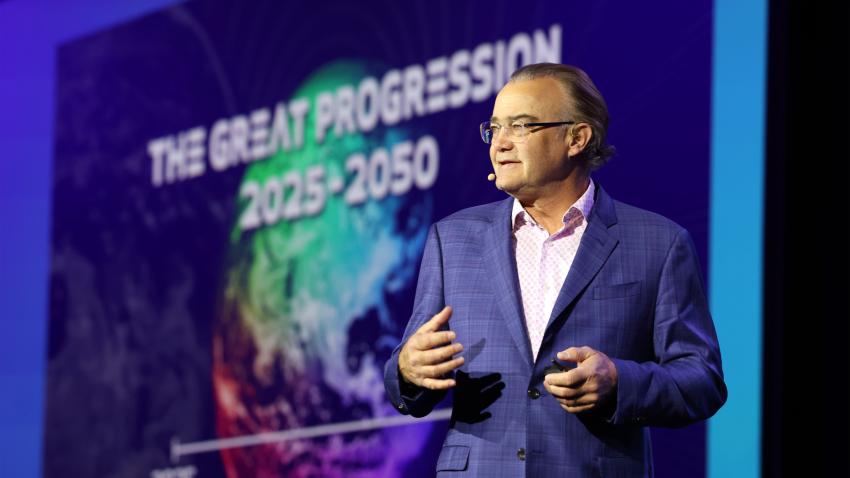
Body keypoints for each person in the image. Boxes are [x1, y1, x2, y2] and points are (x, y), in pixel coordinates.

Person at [383, 63, 726, 477]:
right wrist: (407, 369)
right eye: (494, 129)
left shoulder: (659, 243)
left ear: (577, 138)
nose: (500, 144)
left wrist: (619, 380)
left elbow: (701, 380)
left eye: (521, 127)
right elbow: (409, 379)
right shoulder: (451, 240)